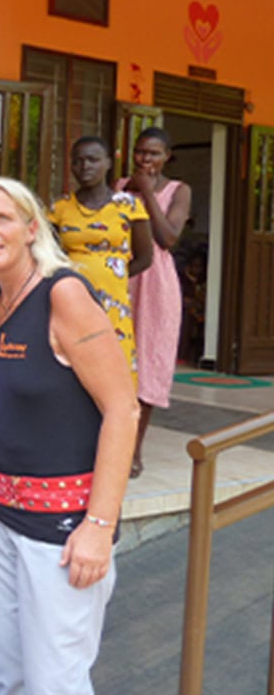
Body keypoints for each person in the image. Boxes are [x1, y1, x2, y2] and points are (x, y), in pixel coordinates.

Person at [0, 176, 138, 695]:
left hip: (62, 530)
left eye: (3, 218)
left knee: (55, 683)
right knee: (10, 678)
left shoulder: (64, 294)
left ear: (32, 228)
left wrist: (98, 527)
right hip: (1, 518)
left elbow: (122, 410)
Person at [118, 127, 192, 477]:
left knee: (148, 362)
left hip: (156, 285)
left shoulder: (179, 190)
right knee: (113, 360)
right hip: (119, 278)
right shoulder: (118, 187)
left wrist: (147, 191)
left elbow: (168, 237)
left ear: (167, 156)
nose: (145, 159)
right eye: (140, 152)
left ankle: (133, 449)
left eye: (153, 153)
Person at [49, 136, 153, 383]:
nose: (85, 167)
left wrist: (111, 277)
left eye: (93, 160)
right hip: (70, 302)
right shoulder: (59, 208)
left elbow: (145, 257)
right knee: (71, 369)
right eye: (78, 161)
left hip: (112, 304)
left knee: (114, 374)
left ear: (108, 163)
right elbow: (49, 256)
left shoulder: (129, 205)